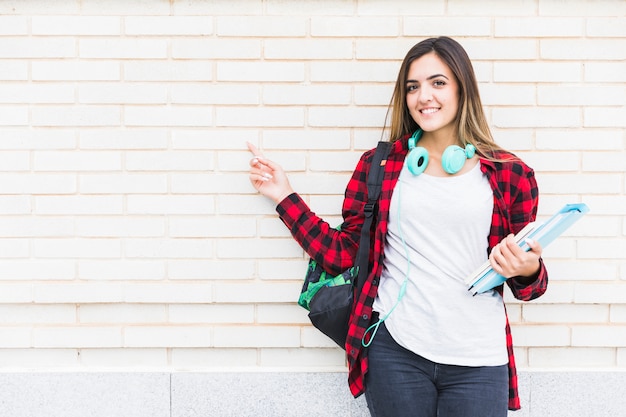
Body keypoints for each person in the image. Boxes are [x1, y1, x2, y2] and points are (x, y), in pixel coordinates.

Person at [247, 36, 548, 417]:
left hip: (479, 356)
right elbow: (343, 252)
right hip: (396, 352)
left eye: (438, 82)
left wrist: (528, 269)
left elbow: (529, 285)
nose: (424, 96)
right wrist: (284, 196)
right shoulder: (381, 167)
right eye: (413, 86)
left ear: (462, 88)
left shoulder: (510, 175)